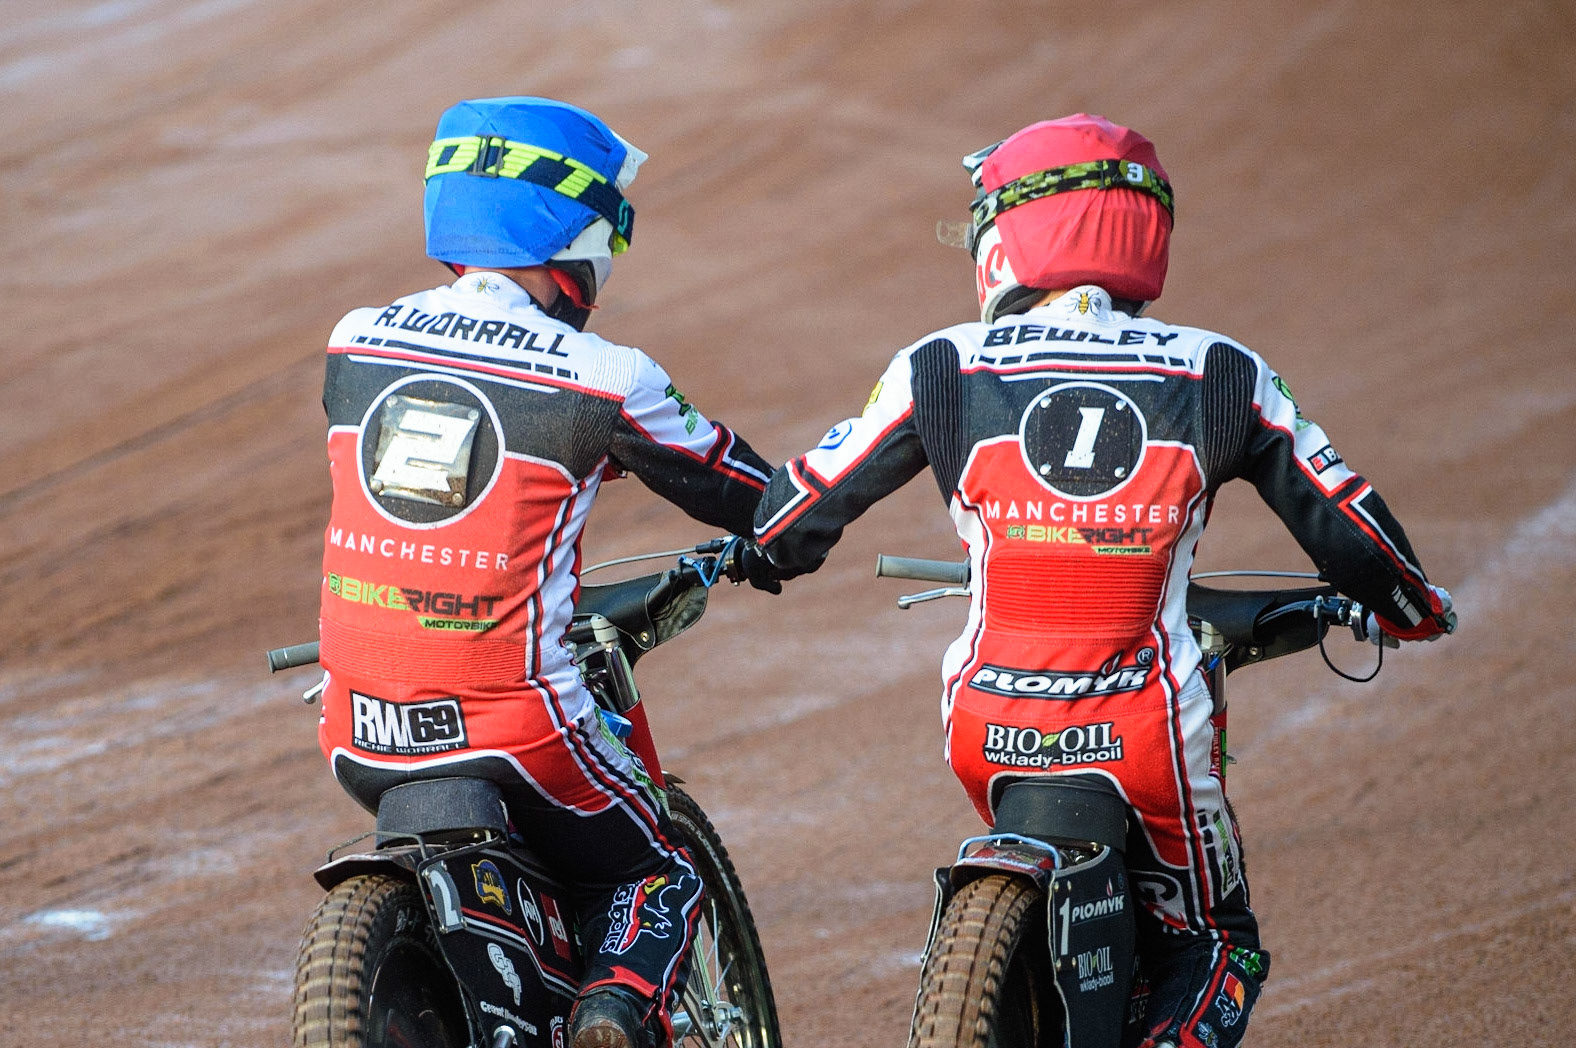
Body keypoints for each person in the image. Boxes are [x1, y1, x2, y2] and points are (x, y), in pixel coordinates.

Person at [751, 114, 1455, 1048]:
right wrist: (1411, 610)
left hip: (983, 720)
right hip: (1148, 730)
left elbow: (797, 516)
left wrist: (763, 553)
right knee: (1218, 946)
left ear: (1005, 239)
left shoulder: (942, 363)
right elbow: (1347, 522)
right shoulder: (1222, 372)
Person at [315, 96, 776, 1048]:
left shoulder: (354, 338)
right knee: (661, 866)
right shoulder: (605, 374)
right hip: (516, 719)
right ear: (562, 225)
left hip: (354, 728)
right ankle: (610, 1008)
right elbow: (743, 493)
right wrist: (787, 533)